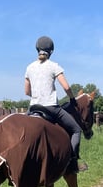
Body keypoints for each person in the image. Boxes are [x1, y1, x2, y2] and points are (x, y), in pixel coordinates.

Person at [24, 35, 88, 173]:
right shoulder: (54, 66)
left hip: (33, 107)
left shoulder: (29, 67)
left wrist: (37, 95)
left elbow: (26, 91)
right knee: (76, 130)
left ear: (37, 49)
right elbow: (66, 87)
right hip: (51, 108)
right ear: (51, 51)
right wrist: (72, 99)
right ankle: (72, 163)